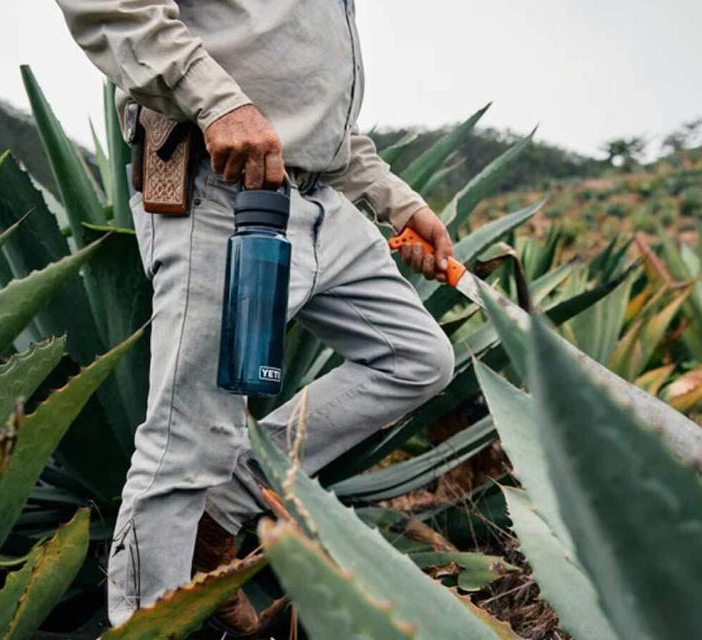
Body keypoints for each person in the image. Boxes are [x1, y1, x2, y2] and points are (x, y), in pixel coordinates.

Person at [56, 0, 456, 633]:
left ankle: (220, 509)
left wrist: (393, 199)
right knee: (187, 442)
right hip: (219, 184)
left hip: (319, 194)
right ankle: (145, 628)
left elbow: (299, 94)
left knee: (415, 357)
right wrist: (218, 103)